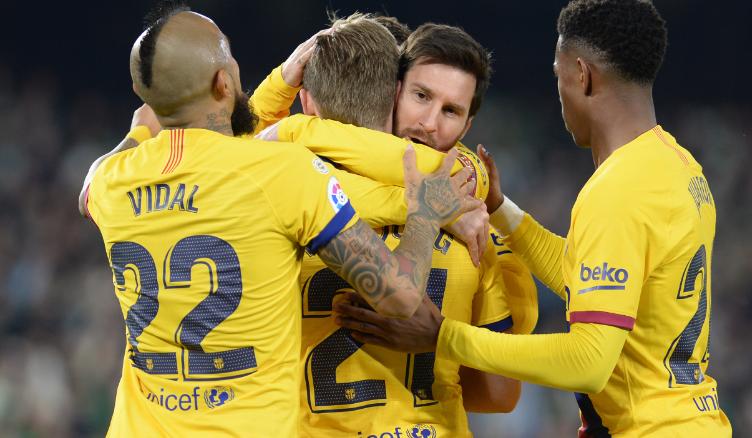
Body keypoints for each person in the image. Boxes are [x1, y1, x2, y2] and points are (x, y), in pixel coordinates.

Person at [336, 1, 733, 436]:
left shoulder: (618, 190)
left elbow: (588, 363)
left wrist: (444, 335)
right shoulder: (679, 167)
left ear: (582, 75)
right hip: (694, 419)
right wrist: (501, 210)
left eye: (557, 74)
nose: (557, 89)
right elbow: (590, 281)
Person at [78, 6, 479, 437]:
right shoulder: (283, 172)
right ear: (223, 82)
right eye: (229, 58)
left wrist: (140, 131)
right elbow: (400, 298)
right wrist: (422, 216)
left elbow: (88, 189)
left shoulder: (111, 184)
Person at [255, 14, 523, 437]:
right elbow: (499, 394)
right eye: (421, 96)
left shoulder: (283, 197)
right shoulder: (472, 220)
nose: (430, 123)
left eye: (450, 110)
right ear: (393, 93)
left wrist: (288, 117)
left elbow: (227, 157)